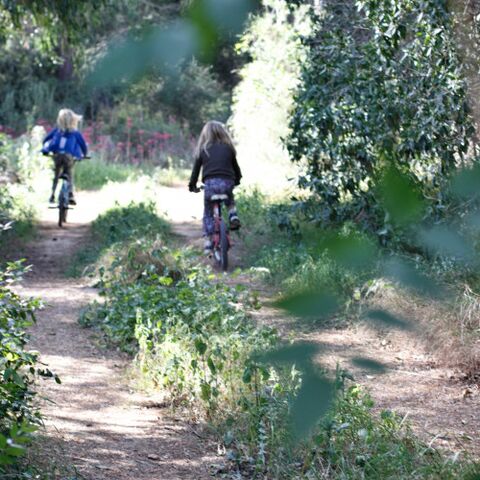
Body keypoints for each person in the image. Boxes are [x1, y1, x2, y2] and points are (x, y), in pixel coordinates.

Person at [189, 121, 242, 255]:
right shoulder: (229, 148)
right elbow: (237, 170)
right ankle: (232, 215)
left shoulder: (203, 149)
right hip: (226, 183)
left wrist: (192, 186)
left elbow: (195, 172)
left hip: (210, 185)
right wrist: (237, 181)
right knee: (229, 199)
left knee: (208, 212)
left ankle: (207, 240)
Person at [41, 108, 88, 205]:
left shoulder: (56, 130)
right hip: (68, 157)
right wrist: (84, 154)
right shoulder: (75, 133)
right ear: (73, 121)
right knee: (69, 173)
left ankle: (52, 195)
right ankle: (70, 194)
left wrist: (45, 149)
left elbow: (45, 139)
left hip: (56, 155)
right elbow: (83, 145)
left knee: (56, 174)